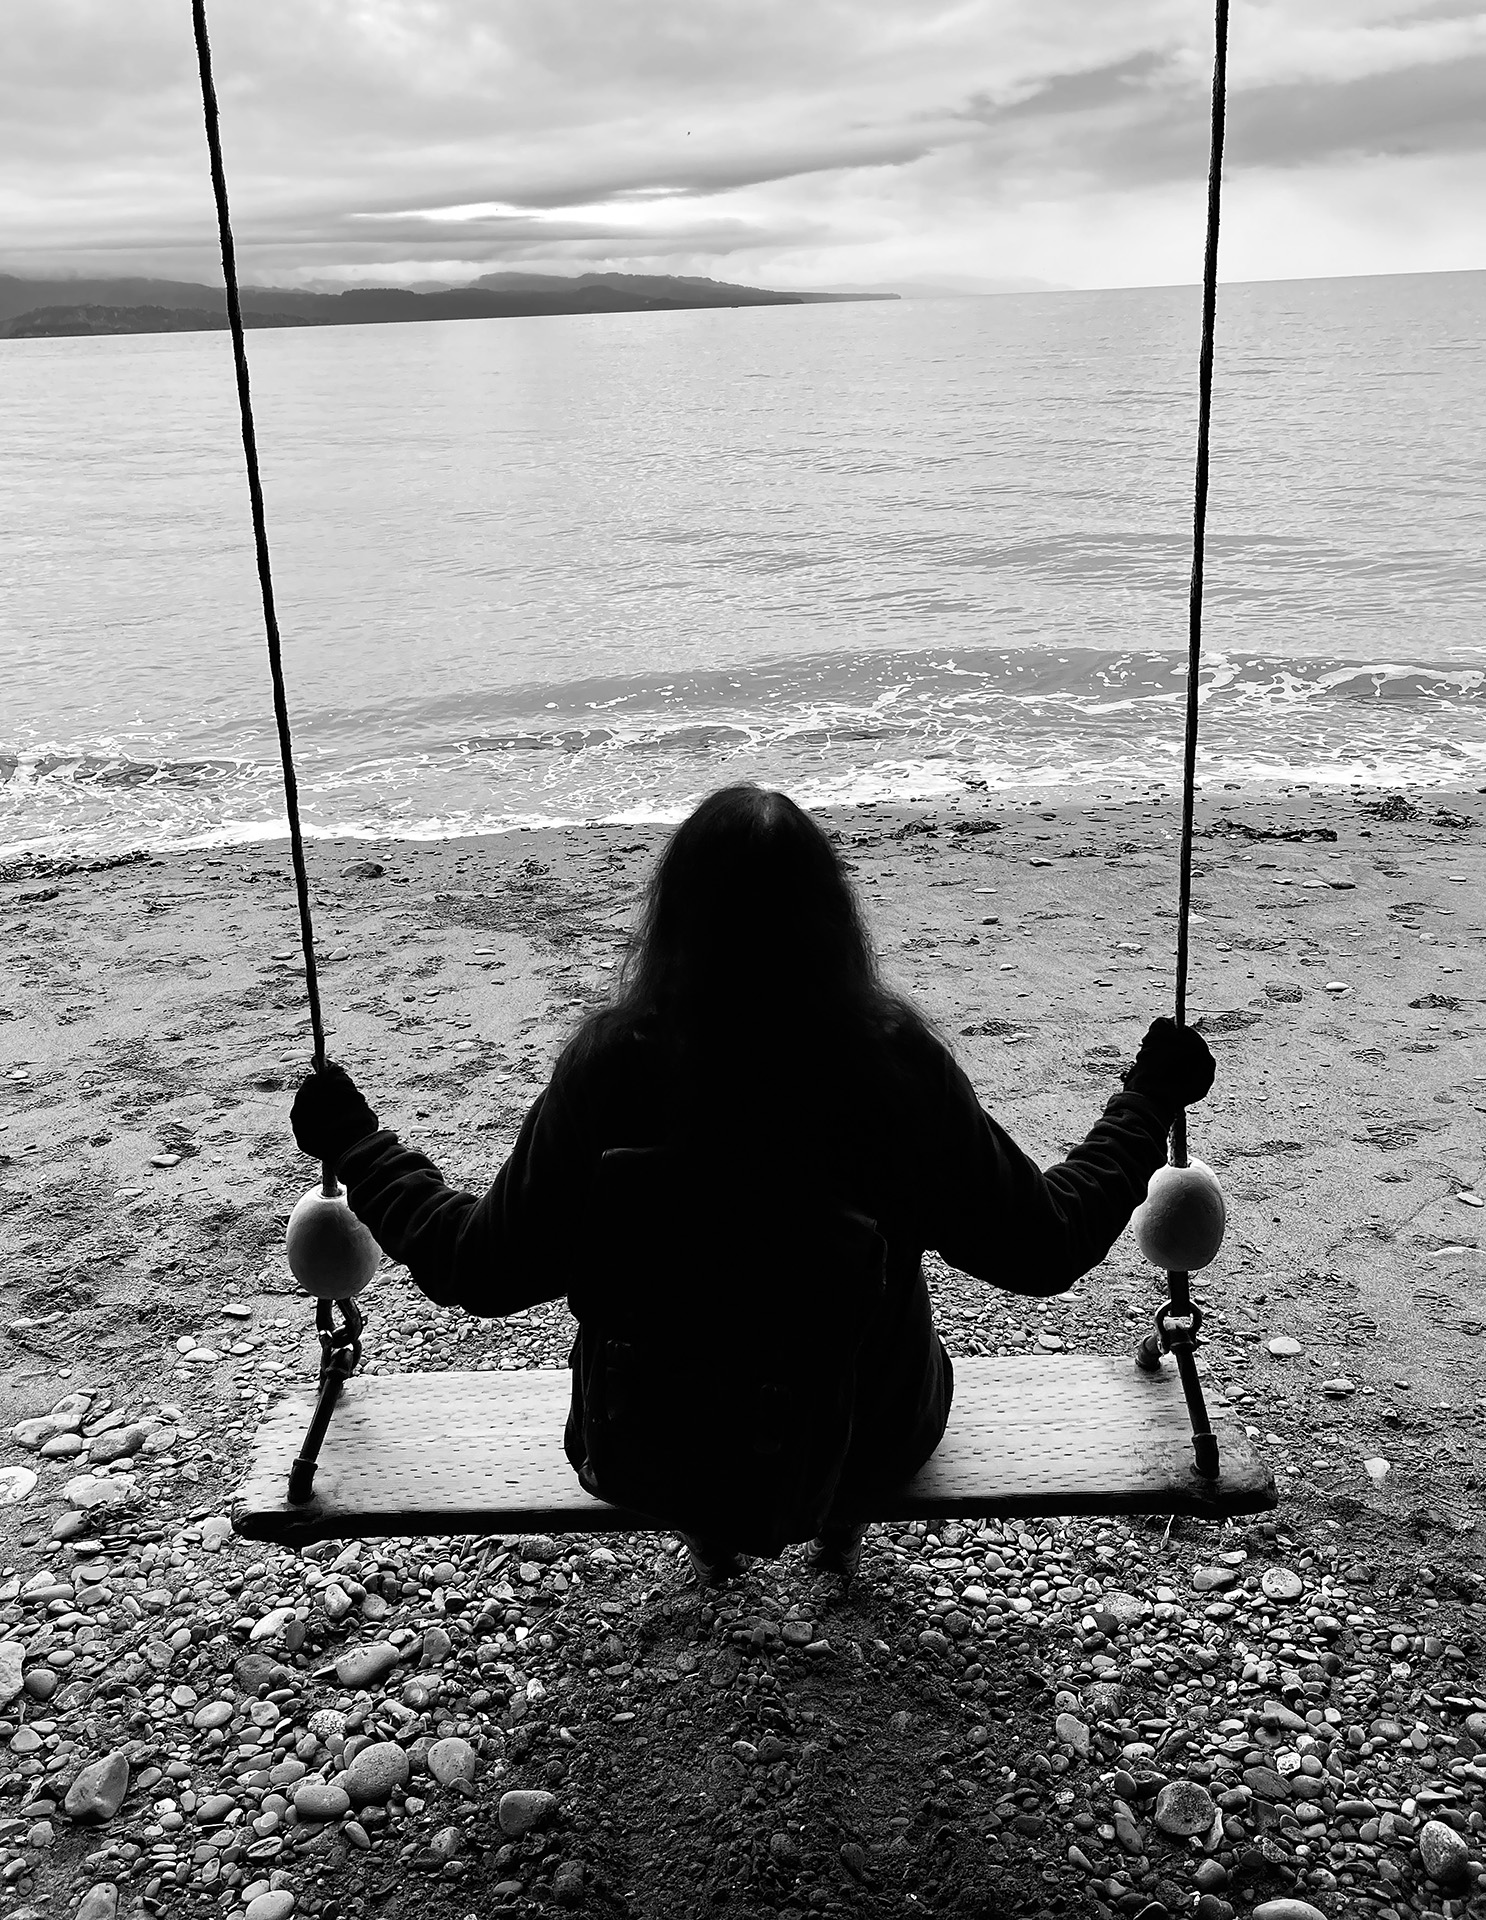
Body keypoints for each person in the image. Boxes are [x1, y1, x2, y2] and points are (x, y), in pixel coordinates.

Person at [292, 784, 1214, 1585]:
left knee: (709, 1343)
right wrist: (1148, 1098)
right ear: (833, 923)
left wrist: (358, 1143)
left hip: (646, 1443)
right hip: (870, 1441)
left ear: (674, 921)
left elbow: (477, 1269)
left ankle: (711, 1524)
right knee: (852, 1310)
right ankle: (832, 1510)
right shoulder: (891, 1070)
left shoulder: (615, 1069)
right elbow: (1046, 1244)